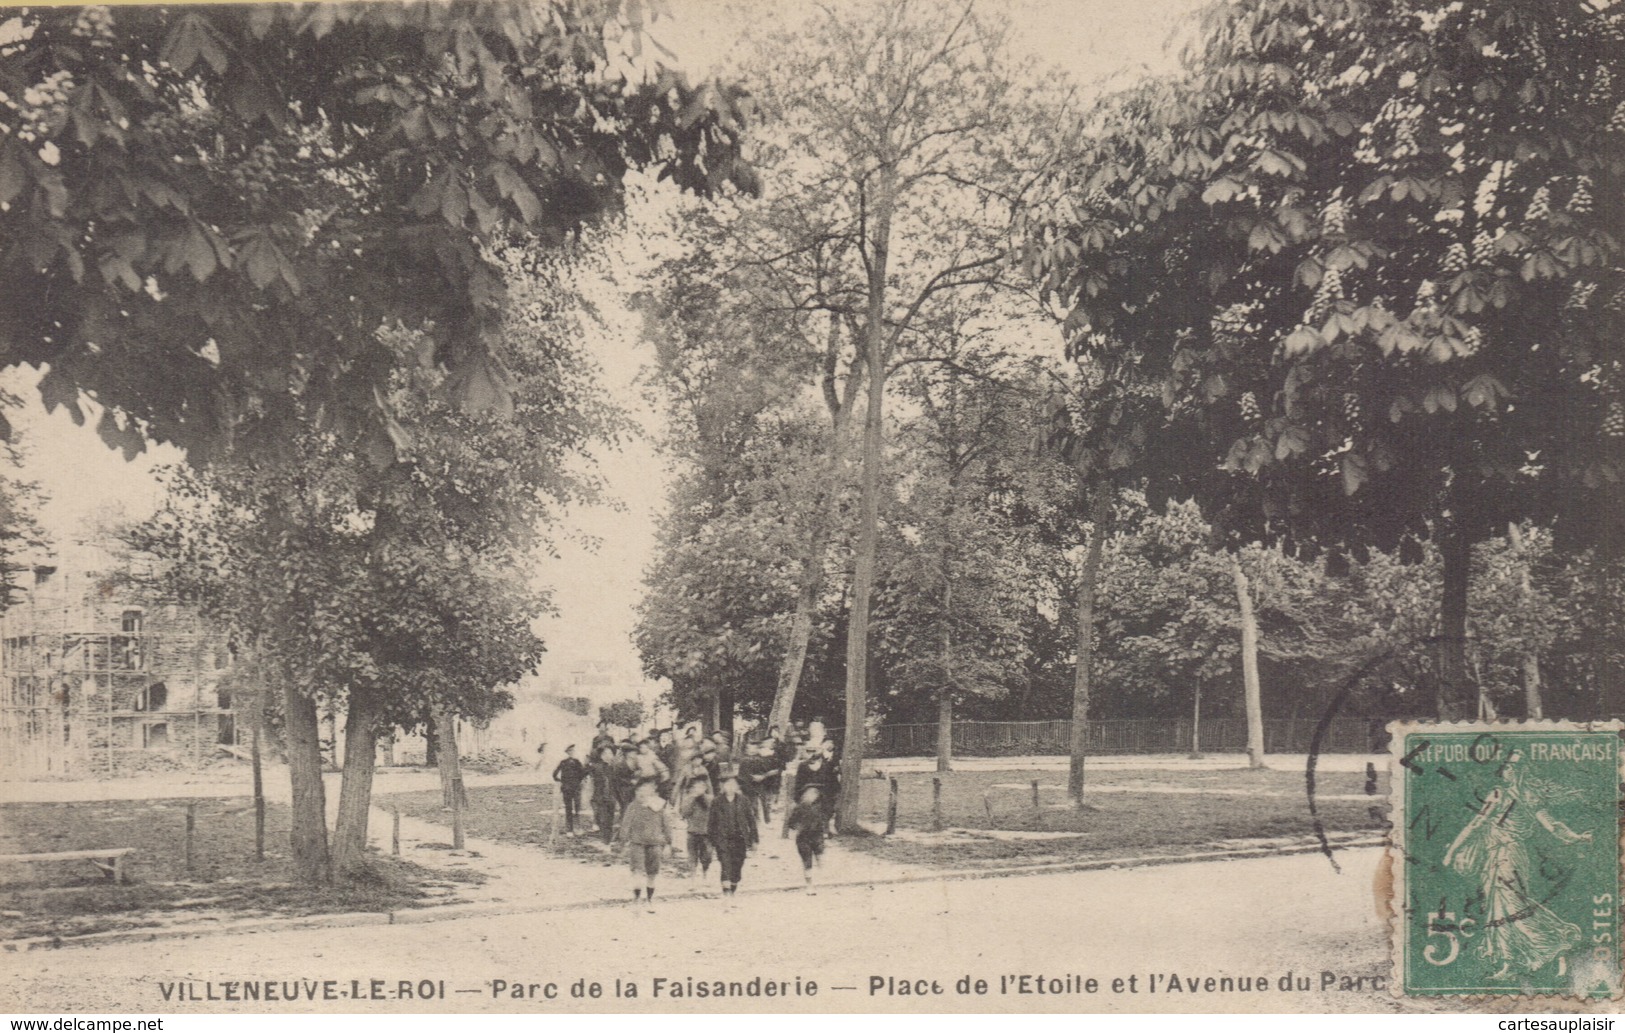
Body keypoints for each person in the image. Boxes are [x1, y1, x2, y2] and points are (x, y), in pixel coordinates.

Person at [1442, 749, 1591, 978]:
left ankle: (1555, 941)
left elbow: (1477, 825)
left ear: (1521, 770)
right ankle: (1509, 961)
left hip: (1507, 856)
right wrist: (1575, 837)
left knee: (1511, 906)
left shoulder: (1506, 795)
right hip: (1500, 855)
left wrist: (1452, 851)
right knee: (1497, 906)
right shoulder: (1519, 795)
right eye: (1506, 766)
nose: (1506, 770)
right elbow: (1551, 825)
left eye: (1511, 767)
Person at [618, 778, 675, 904]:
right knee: (637, 871)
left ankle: (649, 899)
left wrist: (668, 844)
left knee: (652, 873)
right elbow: (626, 825)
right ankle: (637, 899)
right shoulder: (633, 806)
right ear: (637, 791)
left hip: (655, 843)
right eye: (640, 790)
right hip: (637, 843)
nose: (643, 793)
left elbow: (666, 825)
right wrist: (624, 842)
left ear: (653, 790)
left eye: (648, 789)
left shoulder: (660, 805)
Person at [706, 769, 758, 896]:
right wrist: (711, 842)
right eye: (726, 785)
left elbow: (751, 821)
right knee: (725, 865)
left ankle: (733, 889)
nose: (729, 788)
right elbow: (711, 823)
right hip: (722, 840)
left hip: (740, 839)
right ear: (722, 786)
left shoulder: (743, 800)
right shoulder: (717, 801)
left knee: (737, 866)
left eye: (733, 784)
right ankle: (727, 894)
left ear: (737, 786)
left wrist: (754, 840)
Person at [786, 786, 827, 890]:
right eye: (808, 794)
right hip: (803, 837)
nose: (810, 796)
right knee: (807, 861)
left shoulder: (820, 807)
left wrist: (825, 831)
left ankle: (821, 878)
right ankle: (809, 884)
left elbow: (824, 820)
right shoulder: (799, 808)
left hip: (817, 836)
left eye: (814, 794)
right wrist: (797, 827)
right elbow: (791, 823)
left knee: (820, 857)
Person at [680, 779, 713, 880]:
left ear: (705, 788)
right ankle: (693, 877)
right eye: (696, 787)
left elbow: (711, 808)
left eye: (701, 787)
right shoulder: (688, 799)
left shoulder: (710, 798)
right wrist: (692, 799)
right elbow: (684, 813)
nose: (698, 790)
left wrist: (702, 796)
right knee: (692, 856)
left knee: (707, 856)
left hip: (706, 832)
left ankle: (705, 874)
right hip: (692, 831)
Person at [551, 744, 587, 835]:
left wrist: (561, 781)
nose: (572, 753)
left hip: (571, 788)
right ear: (567, 752)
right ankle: (570, 829)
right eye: (570, 751)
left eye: (573, 751)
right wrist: (561, 781)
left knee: (576, 809)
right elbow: (555, 774)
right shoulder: (567, 762)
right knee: (570, 808)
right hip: (570, 788)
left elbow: (582, 773)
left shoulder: (573, 762)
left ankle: (575, 828)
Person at [588, 745, 618, 844]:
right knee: (603, 819)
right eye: (605, 753)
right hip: (600, 797)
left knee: (610, 820)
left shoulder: (614, 767)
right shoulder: (596, 766)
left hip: (611, 797)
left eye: (610, 753)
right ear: (600, 755)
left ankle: (607, 841)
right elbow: (584, 773)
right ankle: (605, 841)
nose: (608, 755)